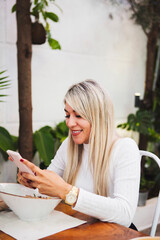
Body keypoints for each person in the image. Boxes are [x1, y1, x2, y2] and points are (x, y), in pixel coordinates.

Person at [16, 80, 140, 228]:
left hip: (113, 232)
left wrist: (68, 192)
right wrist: (35, 182)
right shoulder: (69, 144)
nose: (69, 123)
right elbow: (50, 183)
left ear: (98, 117)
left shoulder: (125, 148)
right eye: (67, 115)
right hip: (80, 226)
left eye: (78, 115)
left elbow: (125, 214)